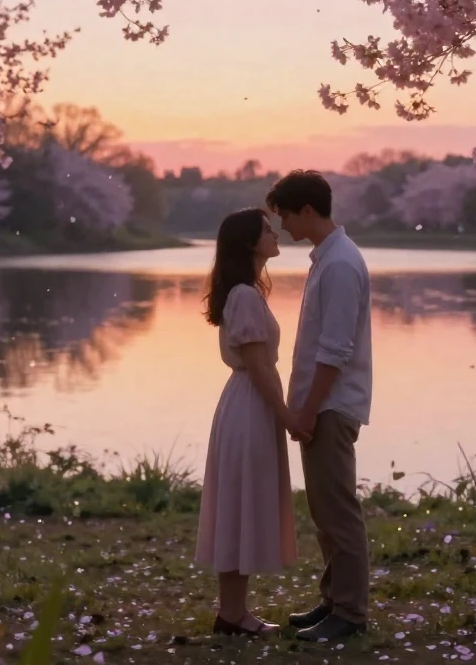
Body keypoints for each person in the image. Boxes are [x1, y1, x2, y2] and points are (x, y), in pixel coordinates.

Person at [267, 170, 374, 642]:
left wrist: (308, 410)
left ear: (307, 210)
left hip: (331, 405)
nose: (283, 225)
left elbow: (335, 350)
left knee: (338, 512)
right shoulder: (327, 259)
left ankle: (350, 613)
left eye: (286, 215)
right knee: (324, 512)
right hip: (321, 403)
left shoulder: (340, 265)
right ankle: (333, 600)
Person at [194, 207, 311, 636]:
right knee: (239, 505)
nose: (275, 234)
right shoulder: (244, 295)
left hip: (247, 403)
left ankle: (233, 612)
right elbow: (259, 366)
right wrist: (289, 418)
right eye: (266, 230)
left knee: (239, 504)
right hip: (250, 404)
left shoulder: (246, 293)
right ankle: (232, 614)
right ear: (249, 242)